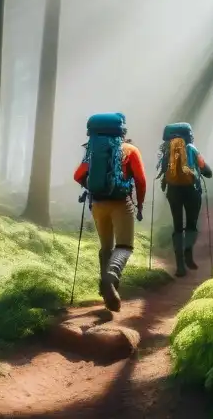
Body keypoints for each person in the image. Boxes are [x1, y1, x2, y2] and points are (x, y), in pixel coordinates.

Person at [73, 112, 146, 312]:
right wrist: (139, 205)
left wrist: (90, 185)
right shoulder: (130, 150)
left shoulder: (92, 151)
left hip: (97, 204)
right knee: (124, 246)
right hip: (121, 203)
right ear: (122, 132)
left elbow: (78, 175)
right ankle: (110, 278)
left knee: (106, 247)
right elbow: (140, 180)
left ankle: (107, 290)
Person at [158, 122, 212, 277]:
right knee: (191, 225)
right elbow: (207, 172)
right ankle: (188, 253)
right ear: (190, 136)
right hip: (192, 191)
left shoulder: (166, 151)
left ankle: (180, 265)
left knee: (177, 226)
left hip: (173, 191)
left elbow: (161, 170)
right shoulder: (192, 149)